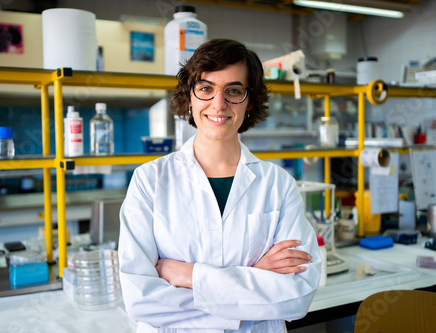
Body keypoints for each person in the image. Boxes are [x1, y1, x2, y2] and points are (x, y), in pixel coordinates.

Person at [118, 38, 321, 332]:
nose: (218, 103)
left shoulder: (278, 185)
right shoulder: (150, 180)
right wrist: (254, 277)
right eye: (206, 88)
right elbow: (141, 300)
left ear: (250, 101)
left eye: (233, 91)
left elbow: (297, 295)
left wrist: (188, 275)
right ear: (190, 97)